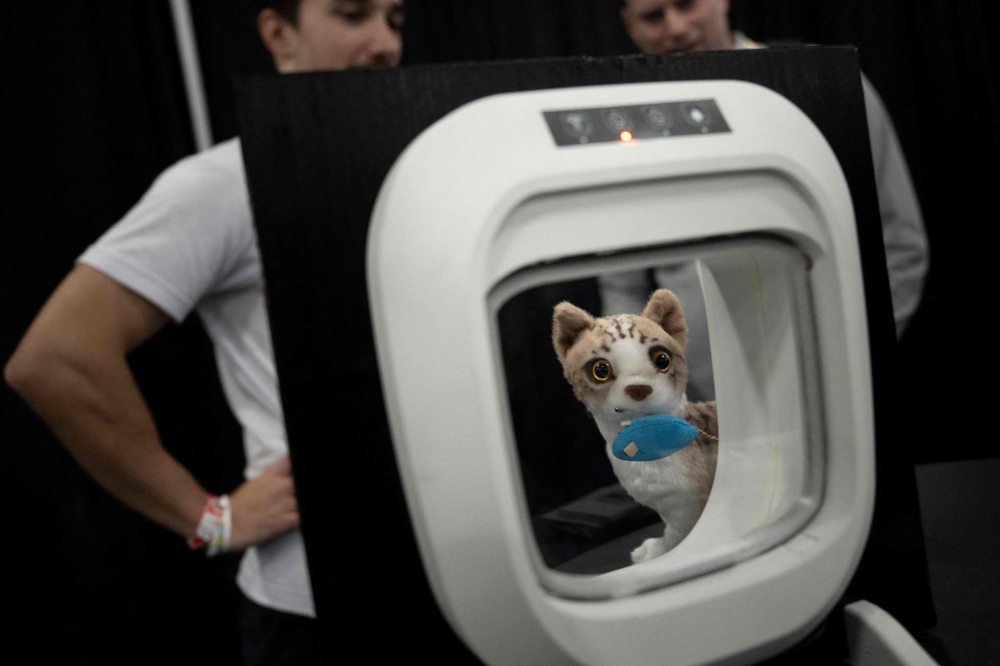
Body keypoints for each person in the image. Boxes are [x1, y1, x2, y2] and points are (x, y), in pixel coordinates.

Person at [4, 0, 404, 662]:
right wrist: (210, 520)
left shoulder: (413, 168)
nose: (383, 42)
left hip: (445, 577)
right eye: (354, 14)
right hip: (313, 608)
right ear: (280, 34)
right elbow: (56, 359)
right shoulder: (225, 183)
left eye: (395, 19)